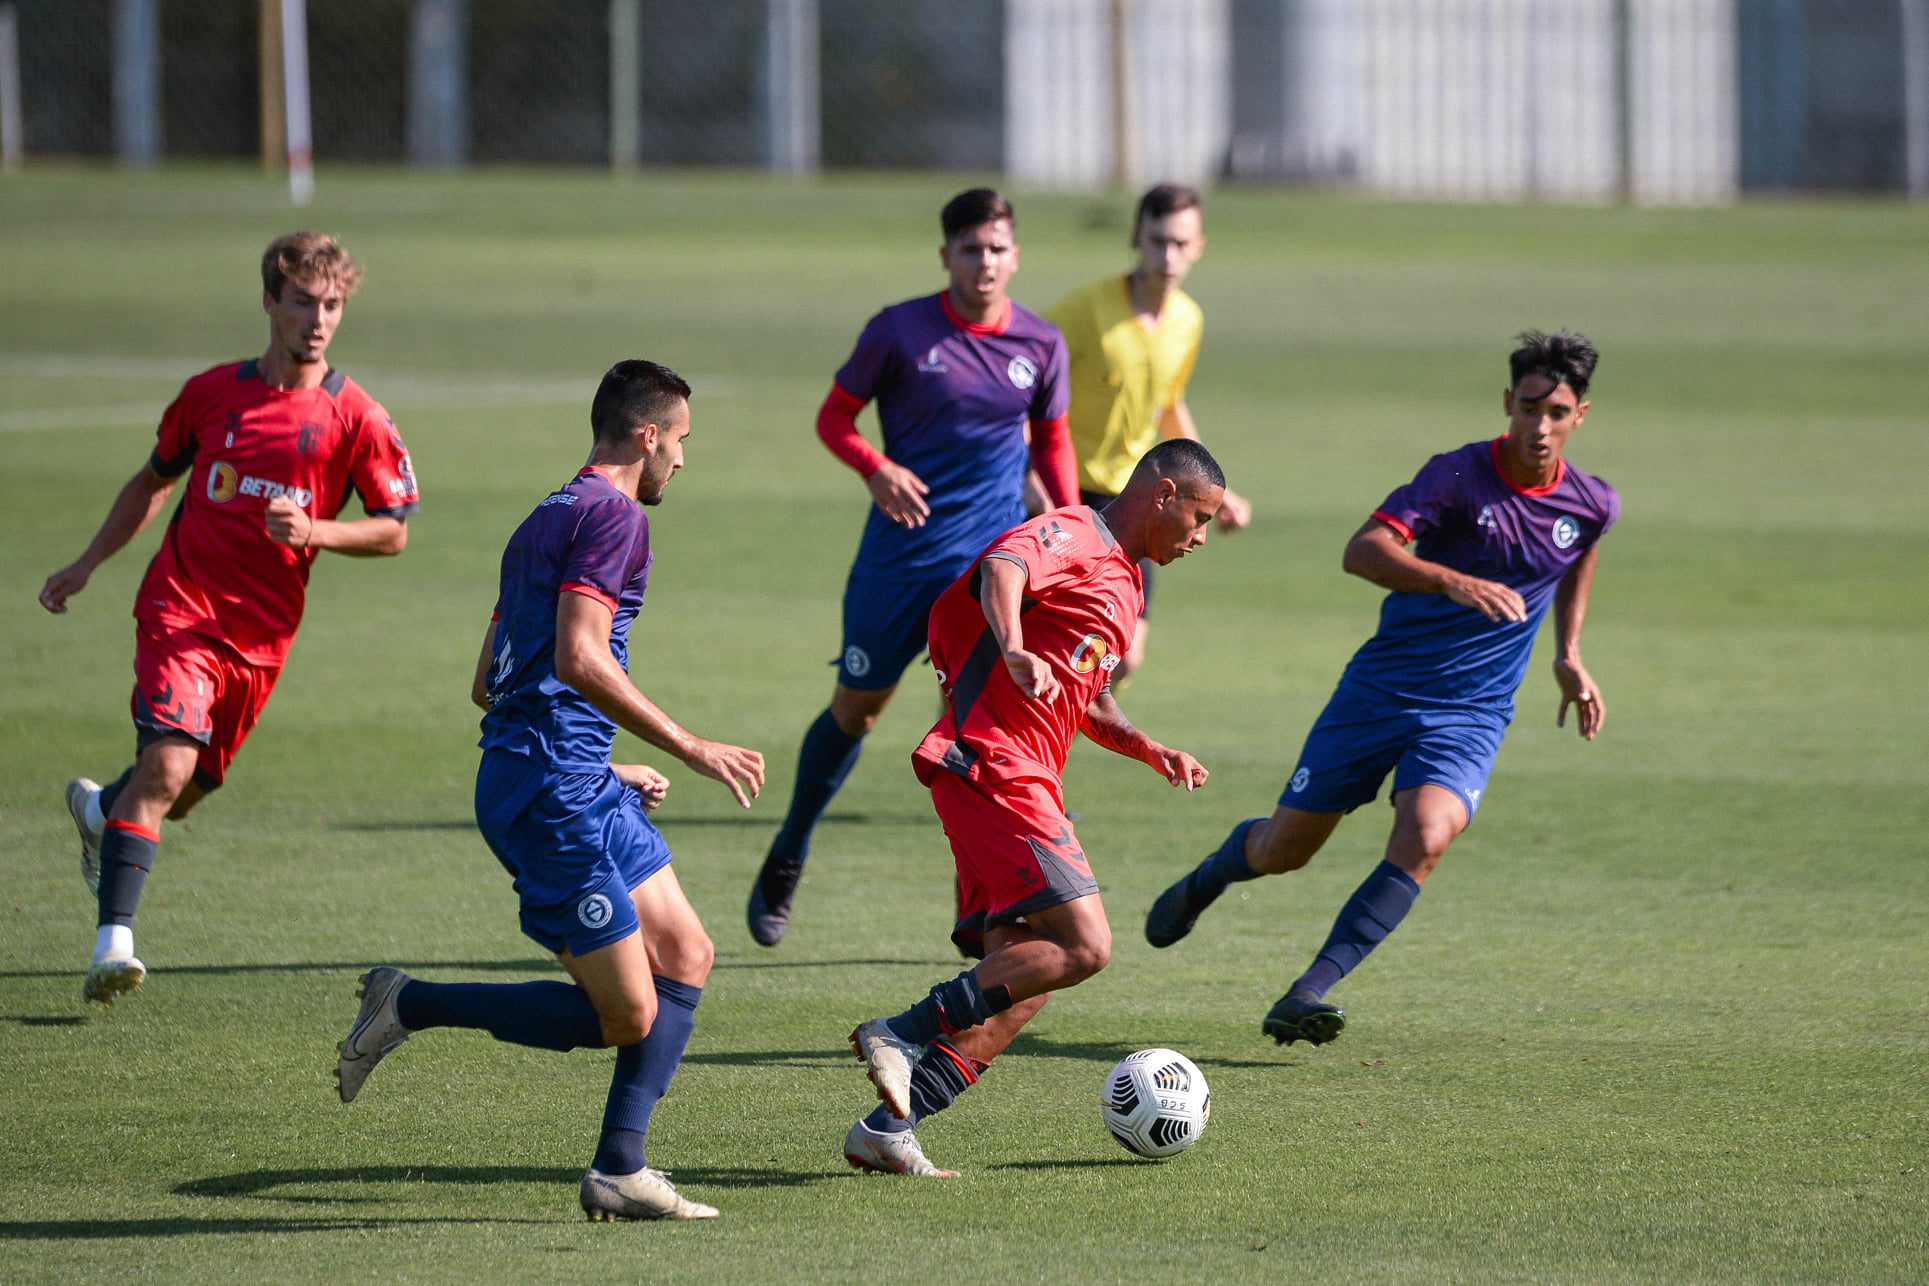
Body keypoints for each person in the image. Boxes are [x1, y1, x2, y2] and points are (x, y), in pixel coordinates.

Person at [335, 360, 763, 1222]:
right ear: (646, 434)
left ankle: (620, 1170)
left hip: (569, 775)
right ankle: (408, 1002)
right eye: (679, 440)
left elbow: (490, 684)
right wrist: (686, 746)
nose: (682, 460)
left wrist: (599, 763)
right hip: (548, 795)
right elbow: (578, 655)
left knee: (687, 952)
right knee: (625, 1016)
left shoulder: (545, 516)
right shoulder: (614, 518)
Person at [1144, 331, 1618, 1047]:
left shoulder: (1590, 503)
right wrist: (1451, 579)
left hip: (1471, 712)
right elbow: (1361, 550)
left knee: (1426, 835)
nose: (1540, 426)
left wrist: (1569, 653)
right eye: (1528, 408)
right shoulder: (1456, 477)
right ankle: (1206, 879)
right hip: (1381, 691)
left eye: (1556, 412)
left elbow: (1576, 553)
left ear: (1579, 414)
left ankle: (1308, 991)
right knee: (1285, 849)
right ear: (1506, 404)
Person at [39, 231, 419, 1006]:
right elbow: (153, 482)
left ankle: (99, 812)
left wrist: (316, 531)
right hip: (181, 609)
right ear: (271, 303)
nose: (319, 319)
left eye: (333, 305)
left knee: (180, 793)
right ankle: (113, 943)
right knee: (169, 766)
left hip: (262, 639)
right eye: (304, 302)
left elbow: (394, 529)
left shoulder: (359, 418)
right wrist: (86, 563)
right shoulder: (212, 394)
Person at [843, 439, 1223, 1177]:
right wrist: (1013, 646)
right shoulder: (1077, 531)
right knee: (1085, 947)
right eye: (1199, 518)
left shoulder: (1128, 584)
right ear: (1164, 494)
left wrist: (1152, 749)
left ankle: (891, 1126)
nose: (1201, 537)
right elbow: (1003, 567)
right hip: (990, 763)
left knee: (1026, 977)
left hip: (1029, 778)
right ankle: (901, 1030)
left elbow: (1091, 699)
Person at [746, 188, 1080, 947]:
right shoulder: (899, 331)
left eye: (997, 249)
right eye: (970, 249)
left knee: (973, 737)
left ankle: (976, 911)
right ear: (946, 256)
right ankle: (790, 845)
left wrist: (1067, 531)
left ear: (1015, 255)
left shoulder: (1040, 343)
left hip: (986, 575)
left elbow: (1052, 444)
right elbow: (834, 418)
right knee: (856, 711)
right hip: (897, 565)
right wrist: (874, 468)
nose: (984, 262)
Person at [1043, 182, 1253, 684]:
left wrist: (1215, 491)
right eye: (1158, 240)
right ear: (1137, 238)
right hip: (1067, 493)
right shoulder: (1086, 311)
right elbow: (1024, 376)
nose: (1168, 255)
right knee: (1056, 641)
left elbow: (1168, 403)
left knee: (1125, 655)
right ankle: (983, 736)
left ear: (1199, 246)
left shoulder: (1187, 320)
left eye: (1181, 243)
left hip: (1135, 498)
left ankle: (1032, 735)